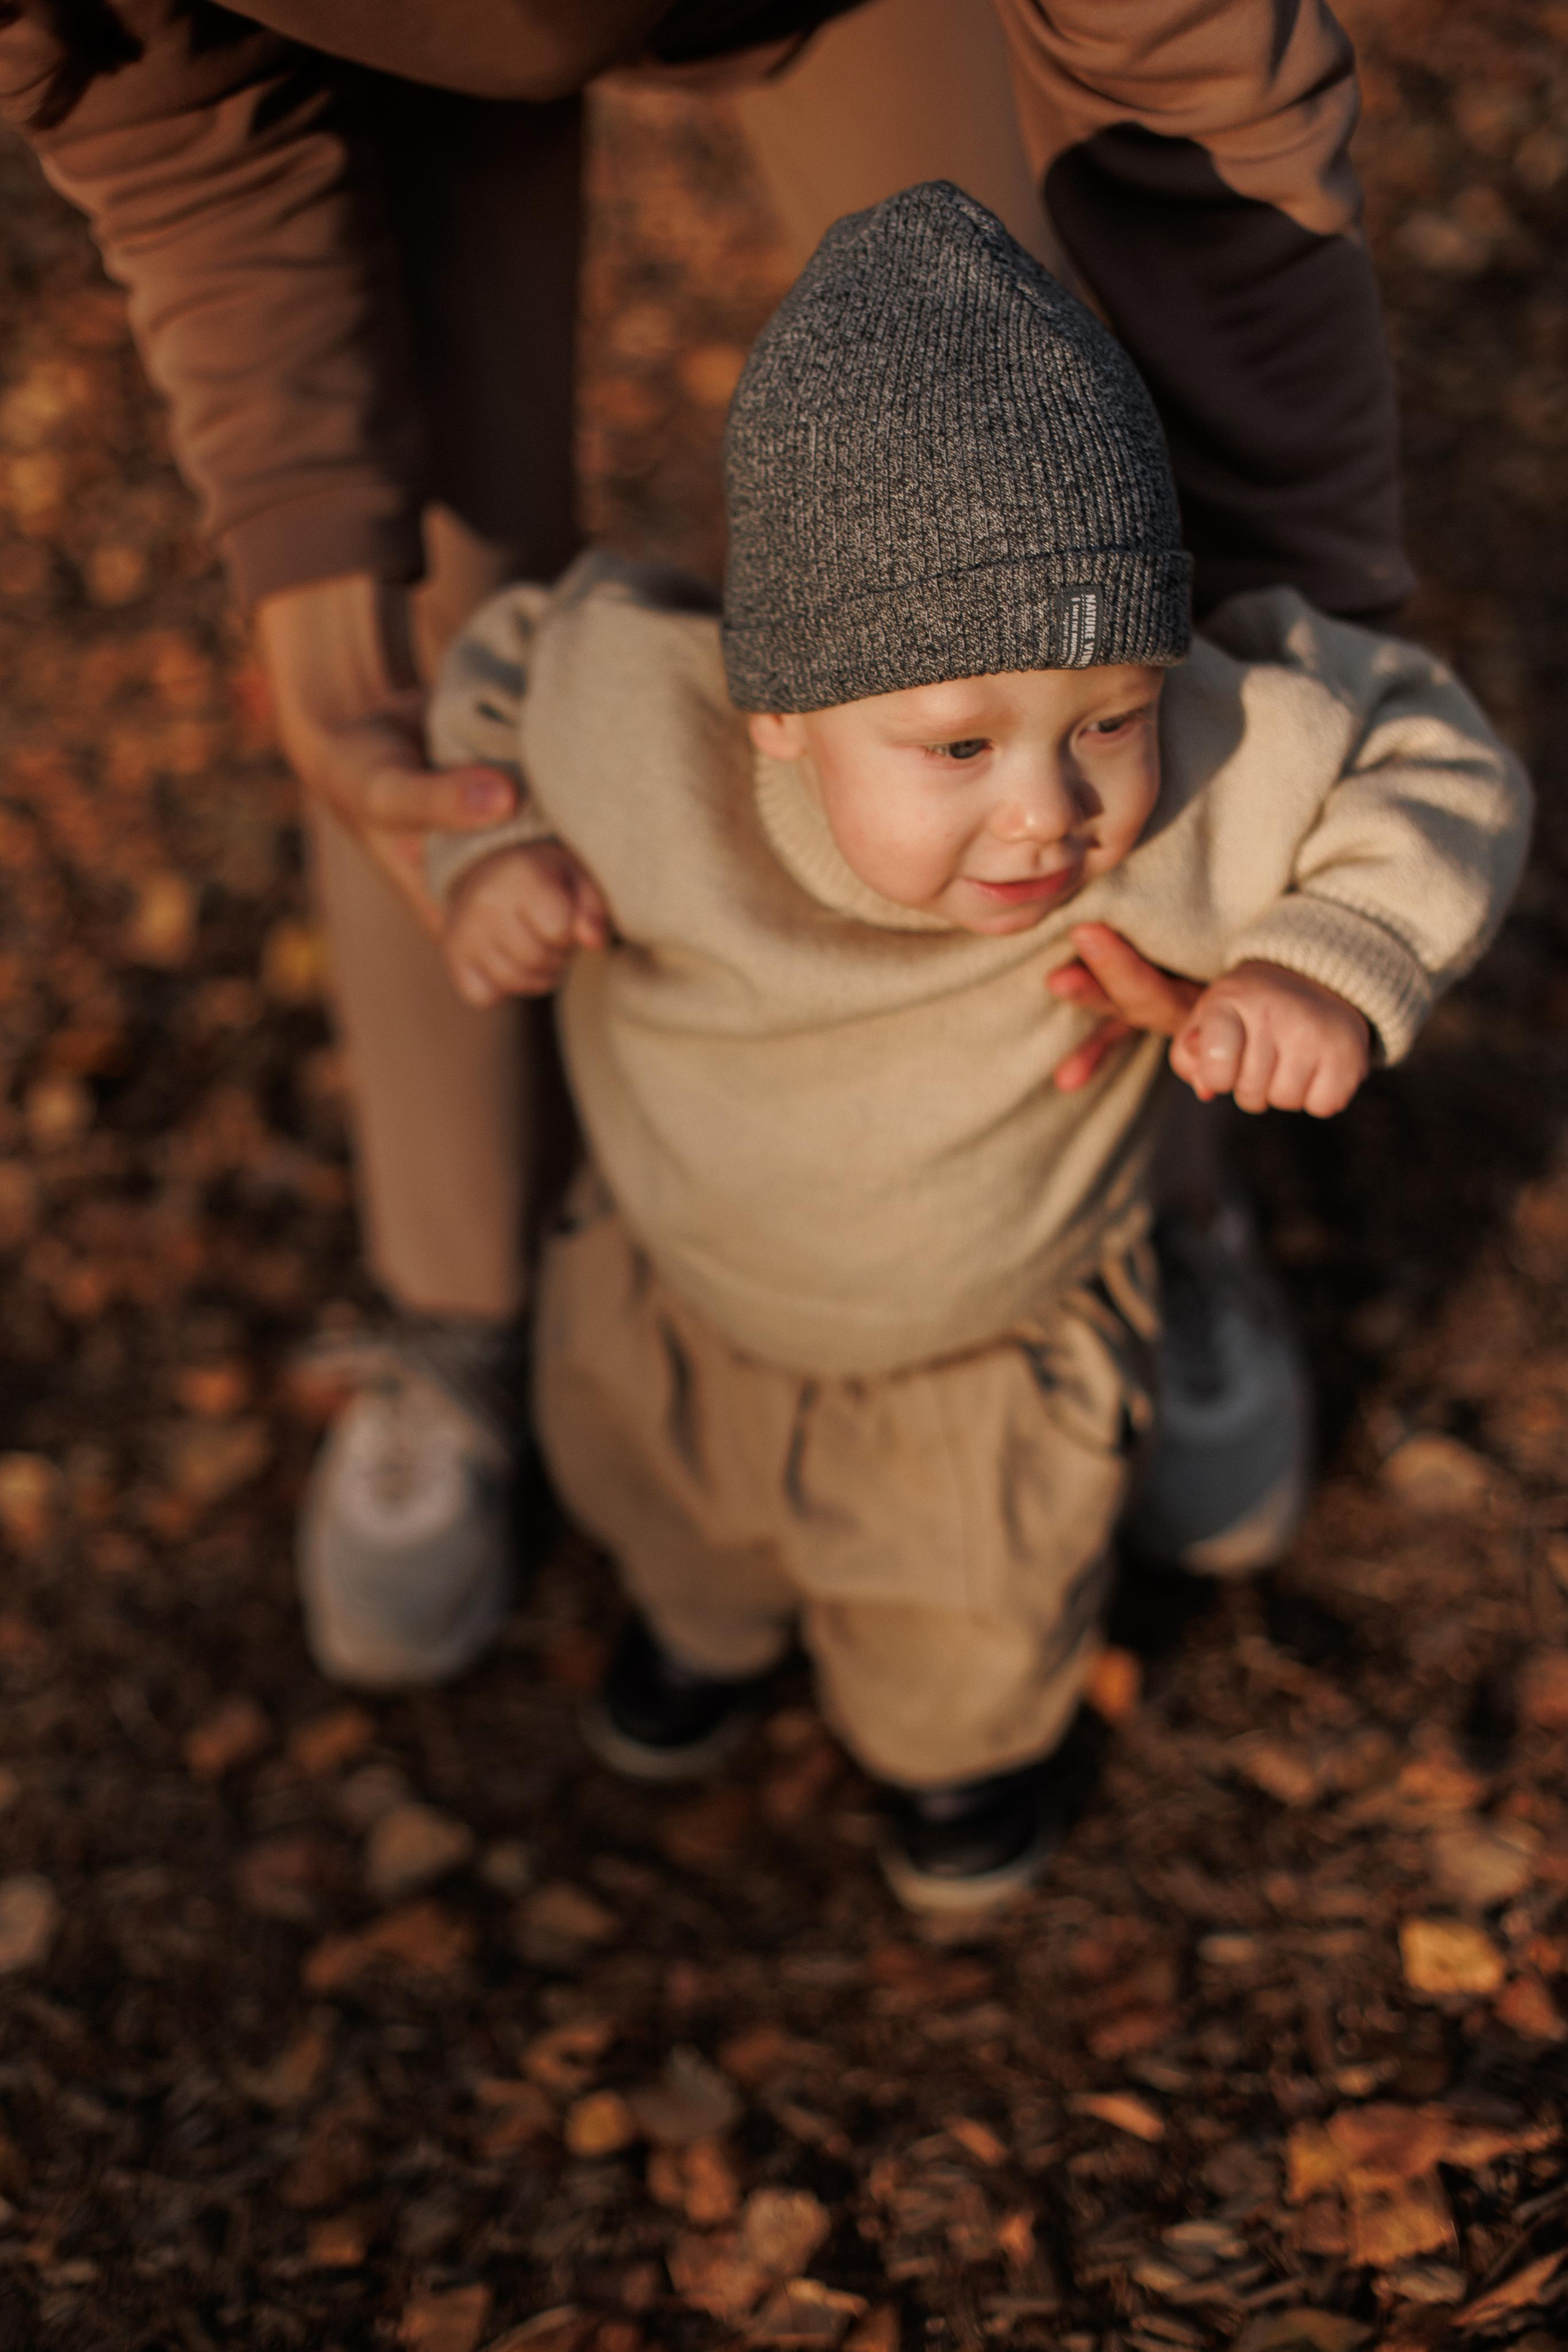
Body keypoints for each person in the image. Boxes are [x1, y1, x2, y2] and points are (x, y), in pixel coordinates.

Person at [0, 0, 1412, 1686]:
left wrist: (1314, 621)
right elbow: (159, 103)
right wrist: (317, 608)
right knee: (451, 677)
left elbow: (1198, 91)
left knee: (1048, 467)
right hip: (385, 43)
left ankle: (1149, 1215)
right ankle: (461, 1301)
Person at [419, 183, 1528, 1908]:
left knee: (962, 1616)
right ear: (778, 707)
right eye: (956, 749)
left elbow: (1426, 746)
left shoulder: (1190, 792)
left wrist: (1335, 952)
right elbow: (505, 669)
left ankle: (960, 1770)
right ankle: (702, 1634)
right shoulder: (650, 741)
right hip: (687, 1296)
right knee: (673, 1506)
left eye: (1108, 719)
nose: (1049, 811)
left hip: (973, 1363)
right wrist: (488, 849)